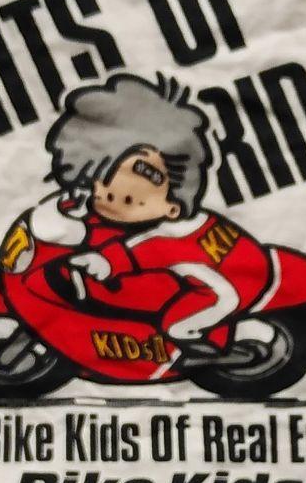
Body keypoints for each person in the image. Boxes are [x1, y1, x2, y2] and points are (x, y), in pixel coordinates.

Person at [25, 74, 270, 360]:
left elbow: (141, 250)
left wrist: (104, 262)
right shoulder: (154, 218)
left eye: (129, 200)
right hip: (221, 254)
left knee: (174, 325)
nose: (105, 201)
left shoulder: (169, 234)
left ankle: (201, 346)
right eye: (102, 192)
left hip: (231, 280)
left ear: (172, 208)